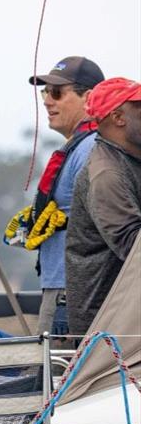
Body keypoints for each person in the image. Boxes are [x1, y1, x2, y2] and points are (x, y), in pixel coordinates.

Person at [5, 56, 104, 335]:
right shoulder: (82, 147)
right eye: (45, 92)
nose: (48, 101)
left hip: (71, 290)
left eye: (57, 93)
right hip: (63, 285)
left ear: (90, 98)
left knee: (60, 378)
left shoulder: (90, 150)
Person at [66, 77, 141, 336]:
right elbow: (134, 247)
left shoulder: (129, 160)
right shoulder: (106, 174)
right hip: (109, 332)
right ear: (119, 117)